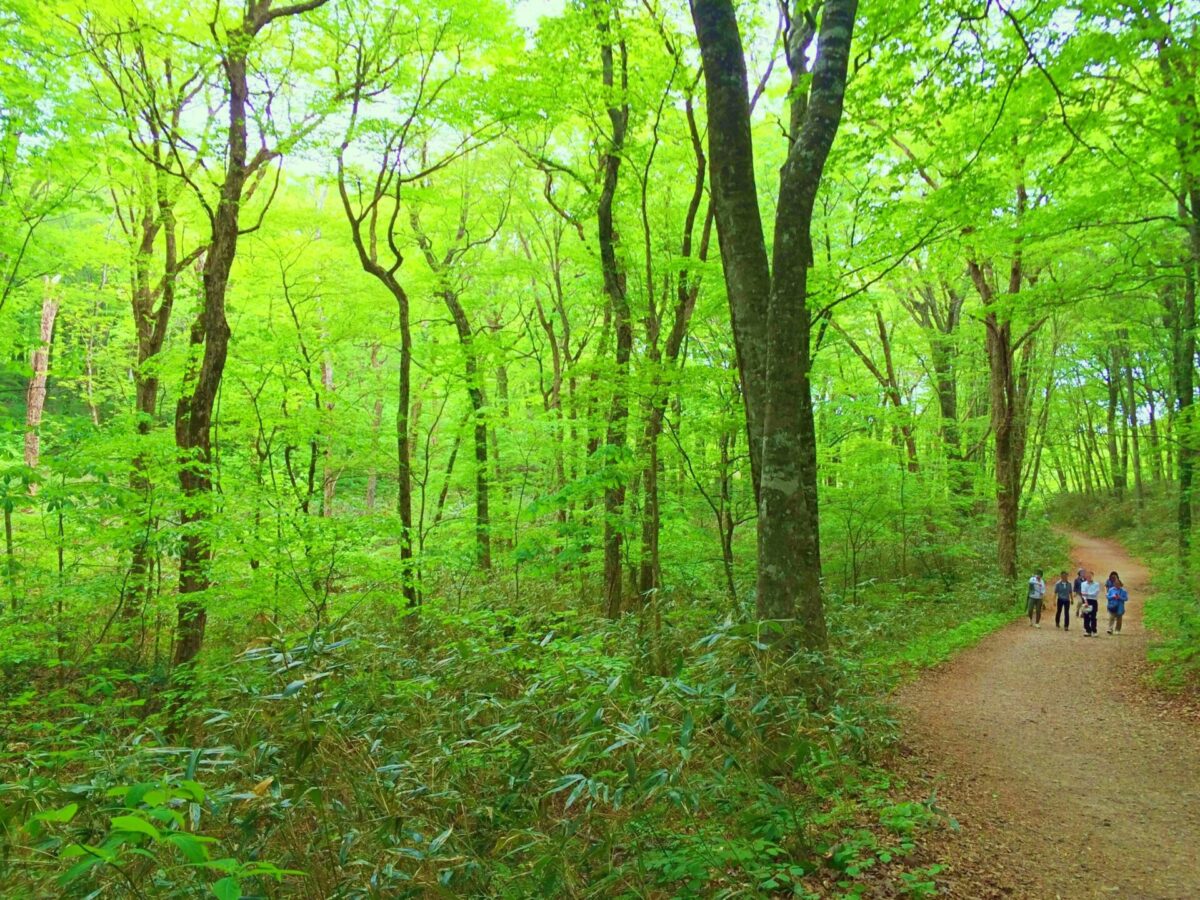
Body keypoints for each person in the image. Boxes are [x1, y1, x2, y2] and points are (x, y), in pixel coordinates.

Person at [1081, 570, 1101, 637]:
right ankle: (1087, 630)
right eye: (1087, 576)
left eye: (1090, 576)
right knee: (1086, 616)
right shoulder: (1083, 584)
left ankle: (1094, 630)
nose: (1089, 577)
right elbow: (1083, 593)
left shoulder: (1096, 584)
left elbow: (1095, 593)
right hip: (1086, 600)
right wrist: (1085, 600)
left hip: (1093, 601)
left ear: (1092, 576)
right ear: (1085, 576)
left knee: (1093, 616)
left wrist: (1087, 594)